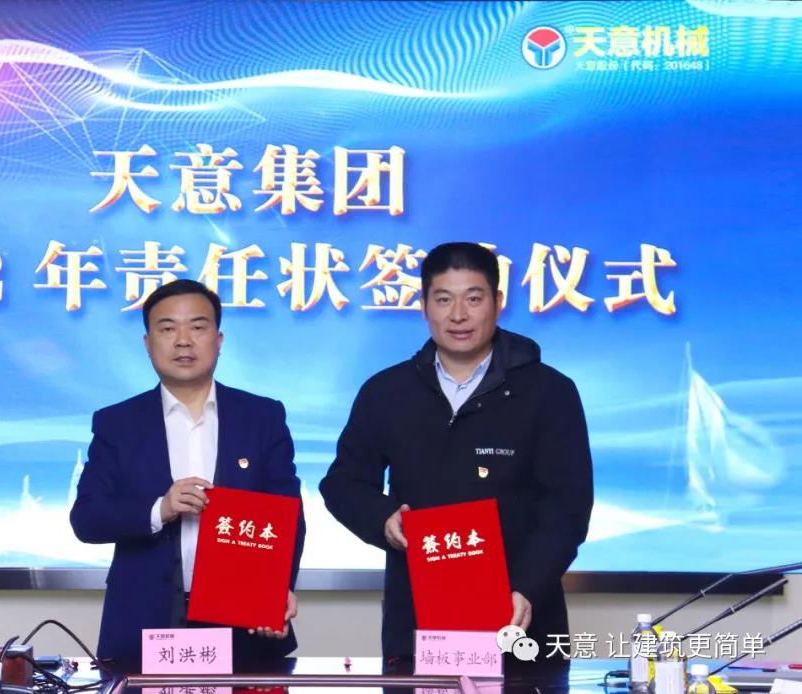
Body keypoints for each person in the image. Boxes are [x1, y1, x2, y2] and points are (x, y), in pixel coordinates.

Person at [319, 241, 593, 675]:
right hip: (418, 623)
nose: (458, 315)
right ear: (424, 306)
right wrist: (383, 518)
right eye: (444, 299)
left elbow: (568, 508)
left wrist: (527, 588)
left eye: (473, 298)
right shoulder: (386, 392)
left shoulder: (549, 393)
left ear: (497, 303)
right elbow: (342, 483)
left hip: (522, 620)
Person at [70, 279, 305, 668]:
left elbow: (289, 515)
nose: (183, 341)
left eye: (197, 327)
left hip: (244, 625)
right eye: (168, 329)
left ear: (219, 339)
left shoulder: (262, 417)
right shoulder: (118, 423)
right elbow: (87, 519)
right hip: (144, 626)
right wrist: (159, 509)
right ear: (148, 343)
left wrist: (277, 589)